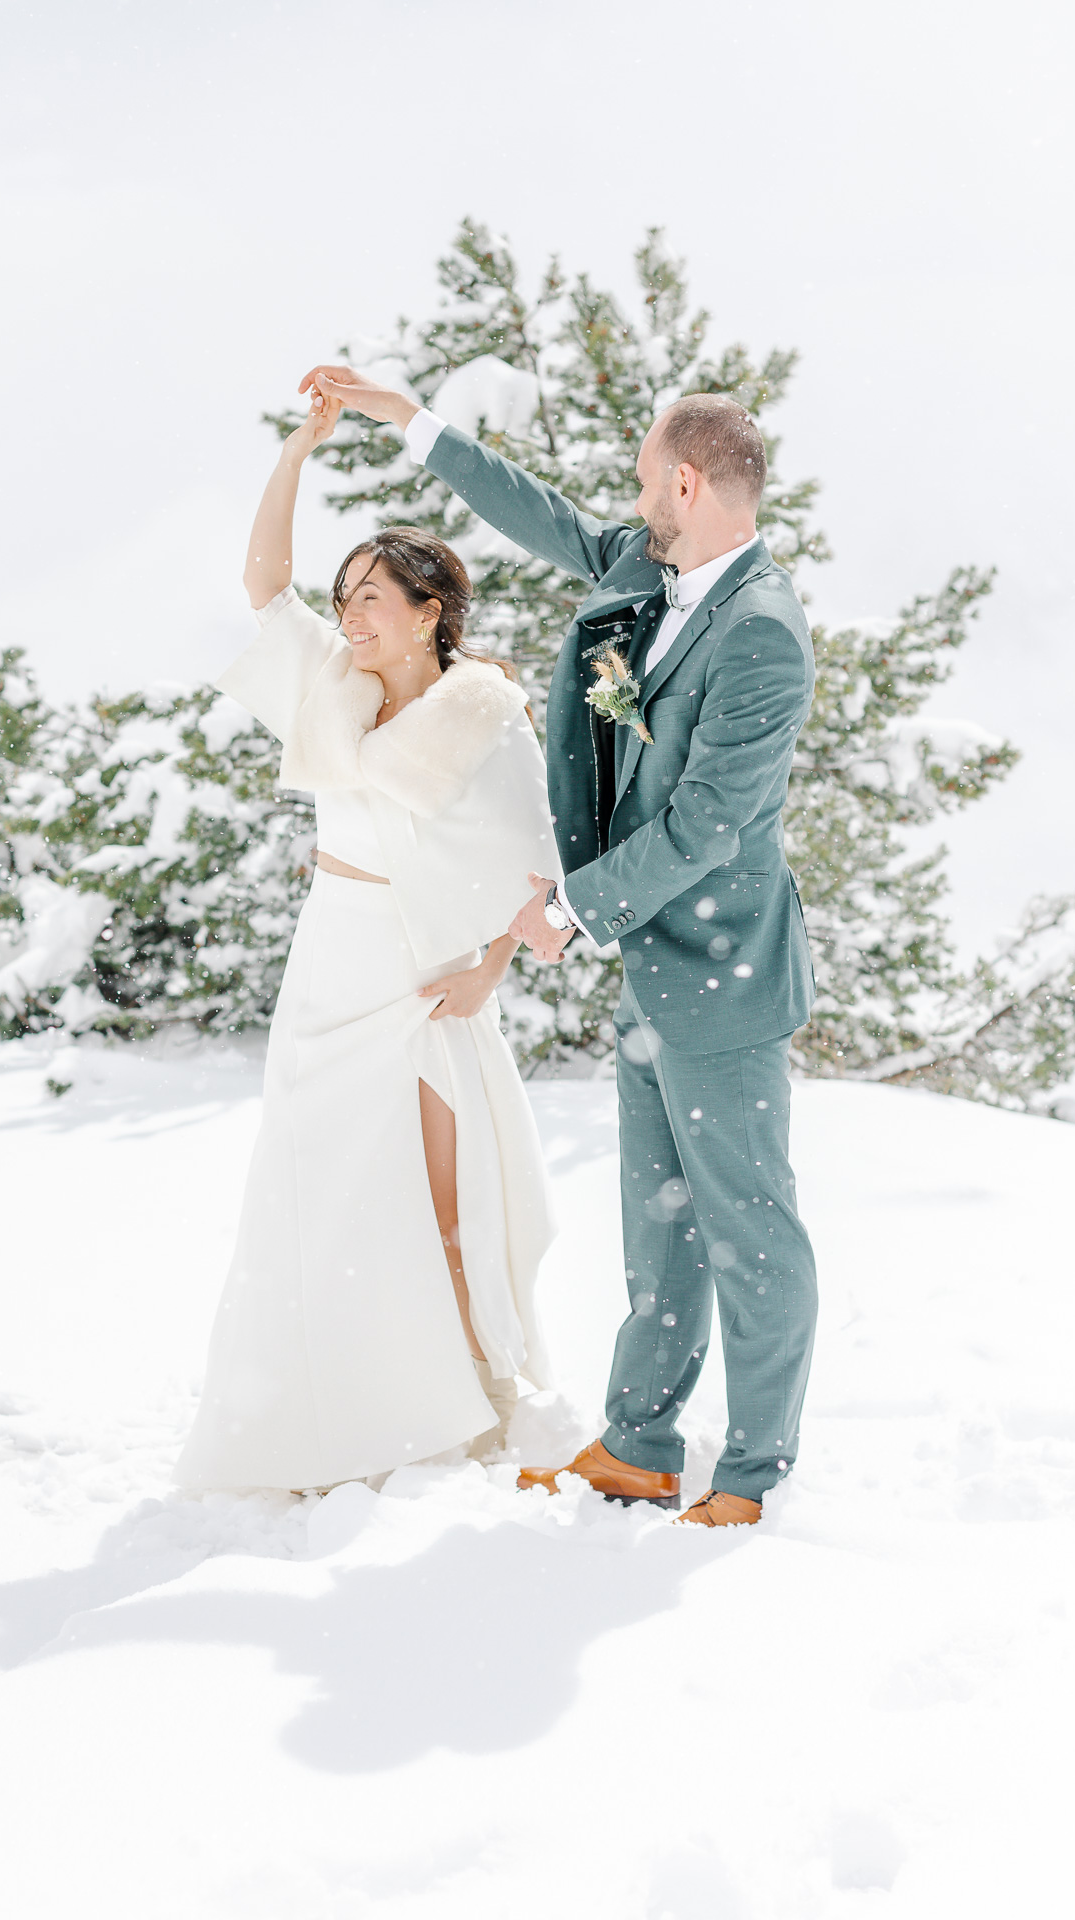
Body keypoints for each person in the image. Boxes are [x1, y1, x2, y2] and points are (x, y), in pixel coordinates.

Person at [299, 364, 819, 1528]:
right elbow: (538, 513)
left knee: (747, 1226)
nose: (631, 505)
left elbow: (707, 824)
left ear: (687, 482)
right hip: (652, 971)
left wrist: (569, 910)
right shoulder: (654, 568)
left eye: (645, 482)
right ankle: (636, 1444)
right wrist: (406, 420)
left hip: (722, 975)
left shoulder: (761, 634)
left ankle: (749, 1473)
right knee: (660, 1222)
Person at [175, 384, 558, 1495]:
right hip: (327, 962)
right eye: (345, 595)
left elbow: (535, 861)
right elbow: (262, 584)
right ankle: (319, 1409)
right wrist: (300, 447)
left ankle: (463, 1398)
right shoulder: (329, 689)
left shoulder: (484, 712)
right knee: (319, 1192)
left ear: (432, 610)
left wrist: (486, 968)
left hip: (423, 976)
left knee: (441, 1195)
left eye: (375, 597)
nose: (352, 614)